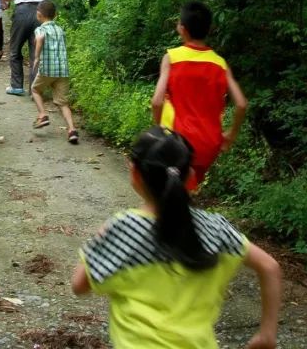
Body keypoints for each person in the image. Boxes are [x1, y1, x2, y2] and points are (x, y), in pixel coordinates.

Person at [72, 126, 281, 349]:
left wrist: (100, 242)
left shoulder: (124, 228)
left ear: (134, 173)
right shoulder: (218, 229)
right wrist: (267, 333)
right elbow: (270, 267)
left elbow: (79, 285)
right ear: (191, 178)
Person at [150, 1, 248, 191]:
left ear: (182, 29)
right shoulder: (220, 63)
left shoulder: (172, 57)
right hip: (208, 145)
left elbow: (157, 101)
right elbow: (242, 104)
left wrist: (159, 130)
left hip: (176, 141)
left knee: (167, 194)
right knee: (185, 192)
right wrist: (232, 134)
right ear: (209, 28)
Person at [2, 0, 50, 96]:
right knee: (36, 51)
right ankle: (35, 89)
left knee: (15, 49)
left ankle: (16, 86)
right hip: (40, 12)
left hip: (22, 12)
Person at [31, 0, 79, 144]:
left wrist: (37, 57)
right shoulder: (60, 30)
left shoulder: (40, 29)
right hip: (62, 71)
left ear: (39, 15)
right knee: (63, 103)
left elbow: (40, 38)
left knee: (35, 89)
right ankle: (72, 130)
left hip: (47, 69)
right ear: (55, 15)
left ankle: (42, 114)